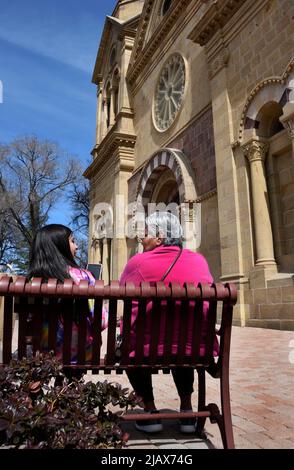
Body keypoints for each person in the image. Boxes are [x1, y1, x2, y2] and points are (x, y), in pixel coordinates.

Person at [119, 211, 218, 434]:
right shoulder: (199, 261)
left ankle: (150, 412)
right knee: (180, 342)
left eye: (145, 233)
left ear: (160, 237)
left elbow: (124, 295)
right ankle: (186, 411)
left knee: (138, 343)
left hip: (146, 350)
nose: (141, 238)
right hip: (194, 350)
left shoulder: (137, 262)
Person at [27, 224, 108, 363]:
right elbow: (101, 321)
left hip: (42, 355)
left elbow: (29, 322)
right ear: (60, 246)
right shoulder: (84, 277)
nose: (76, 247)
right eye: (72, 241)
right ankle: (71, 383)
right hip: (82, 354)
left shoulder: (32, 281)